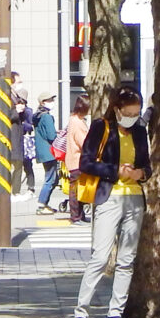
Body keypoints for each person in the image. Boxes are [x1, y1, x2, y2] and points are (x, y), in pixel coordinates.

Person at [71, 86, 153, 318]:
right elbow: (86, 162)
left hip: (135, 197)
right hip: (109, 197)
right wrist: (114, 171)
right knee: (100, 255)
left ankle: (115, 312)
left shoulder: (139, 131)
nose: (133, 118)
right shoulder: (101, 127)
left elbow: (146, 165)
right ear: (117, 110)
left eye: (137, 113)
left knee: (127, 259)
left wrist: (141, 173)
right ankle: (80, 312)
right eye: (129, 112)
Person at [62, 94, 93, 223]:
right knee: (75, 189)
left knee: (79, 187)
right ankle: (76, 216)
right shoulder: (78, 122)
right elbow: (83, 141)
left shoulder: (74, 119)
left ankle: (79, 215)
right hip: (77, 159)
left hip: (75, 159)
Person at [33, 94, 62, 214]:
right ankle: (42, 204)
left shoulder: (38, 116)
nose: (52, 102)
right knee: (50, 178)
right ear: (42, 103)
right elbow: (51, 136)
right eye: (49, 100)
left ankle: (45, 203)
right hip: (49, 151)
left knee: (52, 178)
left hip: (42, 151)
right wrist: (58, 135)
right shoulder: (47, 117)